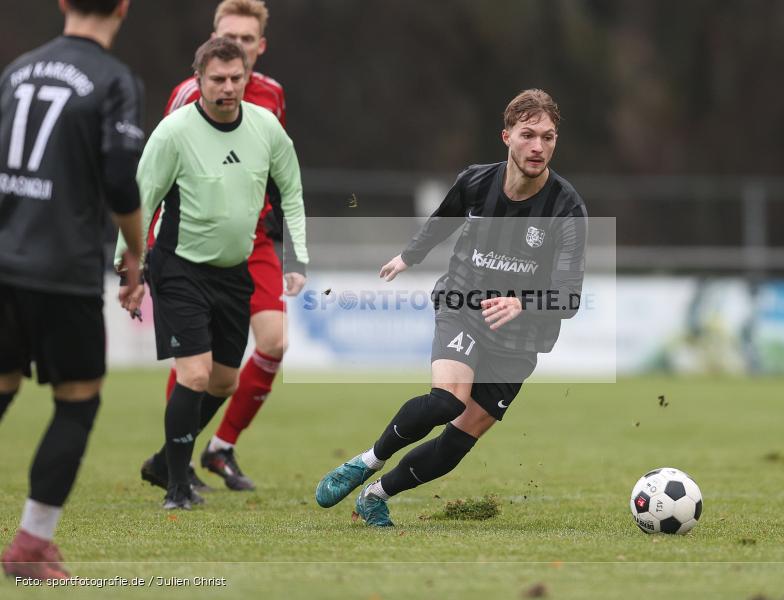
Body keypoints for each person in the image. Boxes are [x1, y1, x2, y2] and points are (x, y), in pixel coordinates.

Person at [315, 89, 587, 526]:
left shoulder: (566, 208)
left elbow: (570, 297)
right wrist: (409, 257)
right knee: (446, 402)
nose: (539, 147)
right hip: (462, 304)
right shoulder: (477, 181)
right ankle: (366, 462)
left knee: (458, 442)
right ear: (507, 137)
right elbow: (443, 220)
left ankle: (375, 496)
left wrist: (523, 303)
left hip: (520, 337)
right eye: (528, 134)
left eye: (549, 137)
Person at [115, 36, 308, 510]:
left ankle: (165, 461)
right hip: (178, 268)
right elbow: (142, 199)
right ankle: (178, 488)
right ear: (198, 80)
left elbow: (293, 192)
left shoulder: (266, 127)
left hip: (233, 272)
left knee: (224, 382)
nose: (227, 88)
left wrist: (298, 257)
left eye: (235, 78)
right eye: (217, 80)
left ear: (247, 78)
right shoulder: (174, 132)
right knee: (196, 375)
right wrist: (128, 267)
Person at [0, 0, 144, 578]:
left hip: (4, 260)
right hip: (63, 270)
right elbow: (118, 179)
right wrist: (136, 250)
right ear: (123, 8)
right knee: (76, 402)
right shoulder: (114, 80)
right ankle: (32, 545)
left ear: (62, 2)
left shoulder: (15, 71)